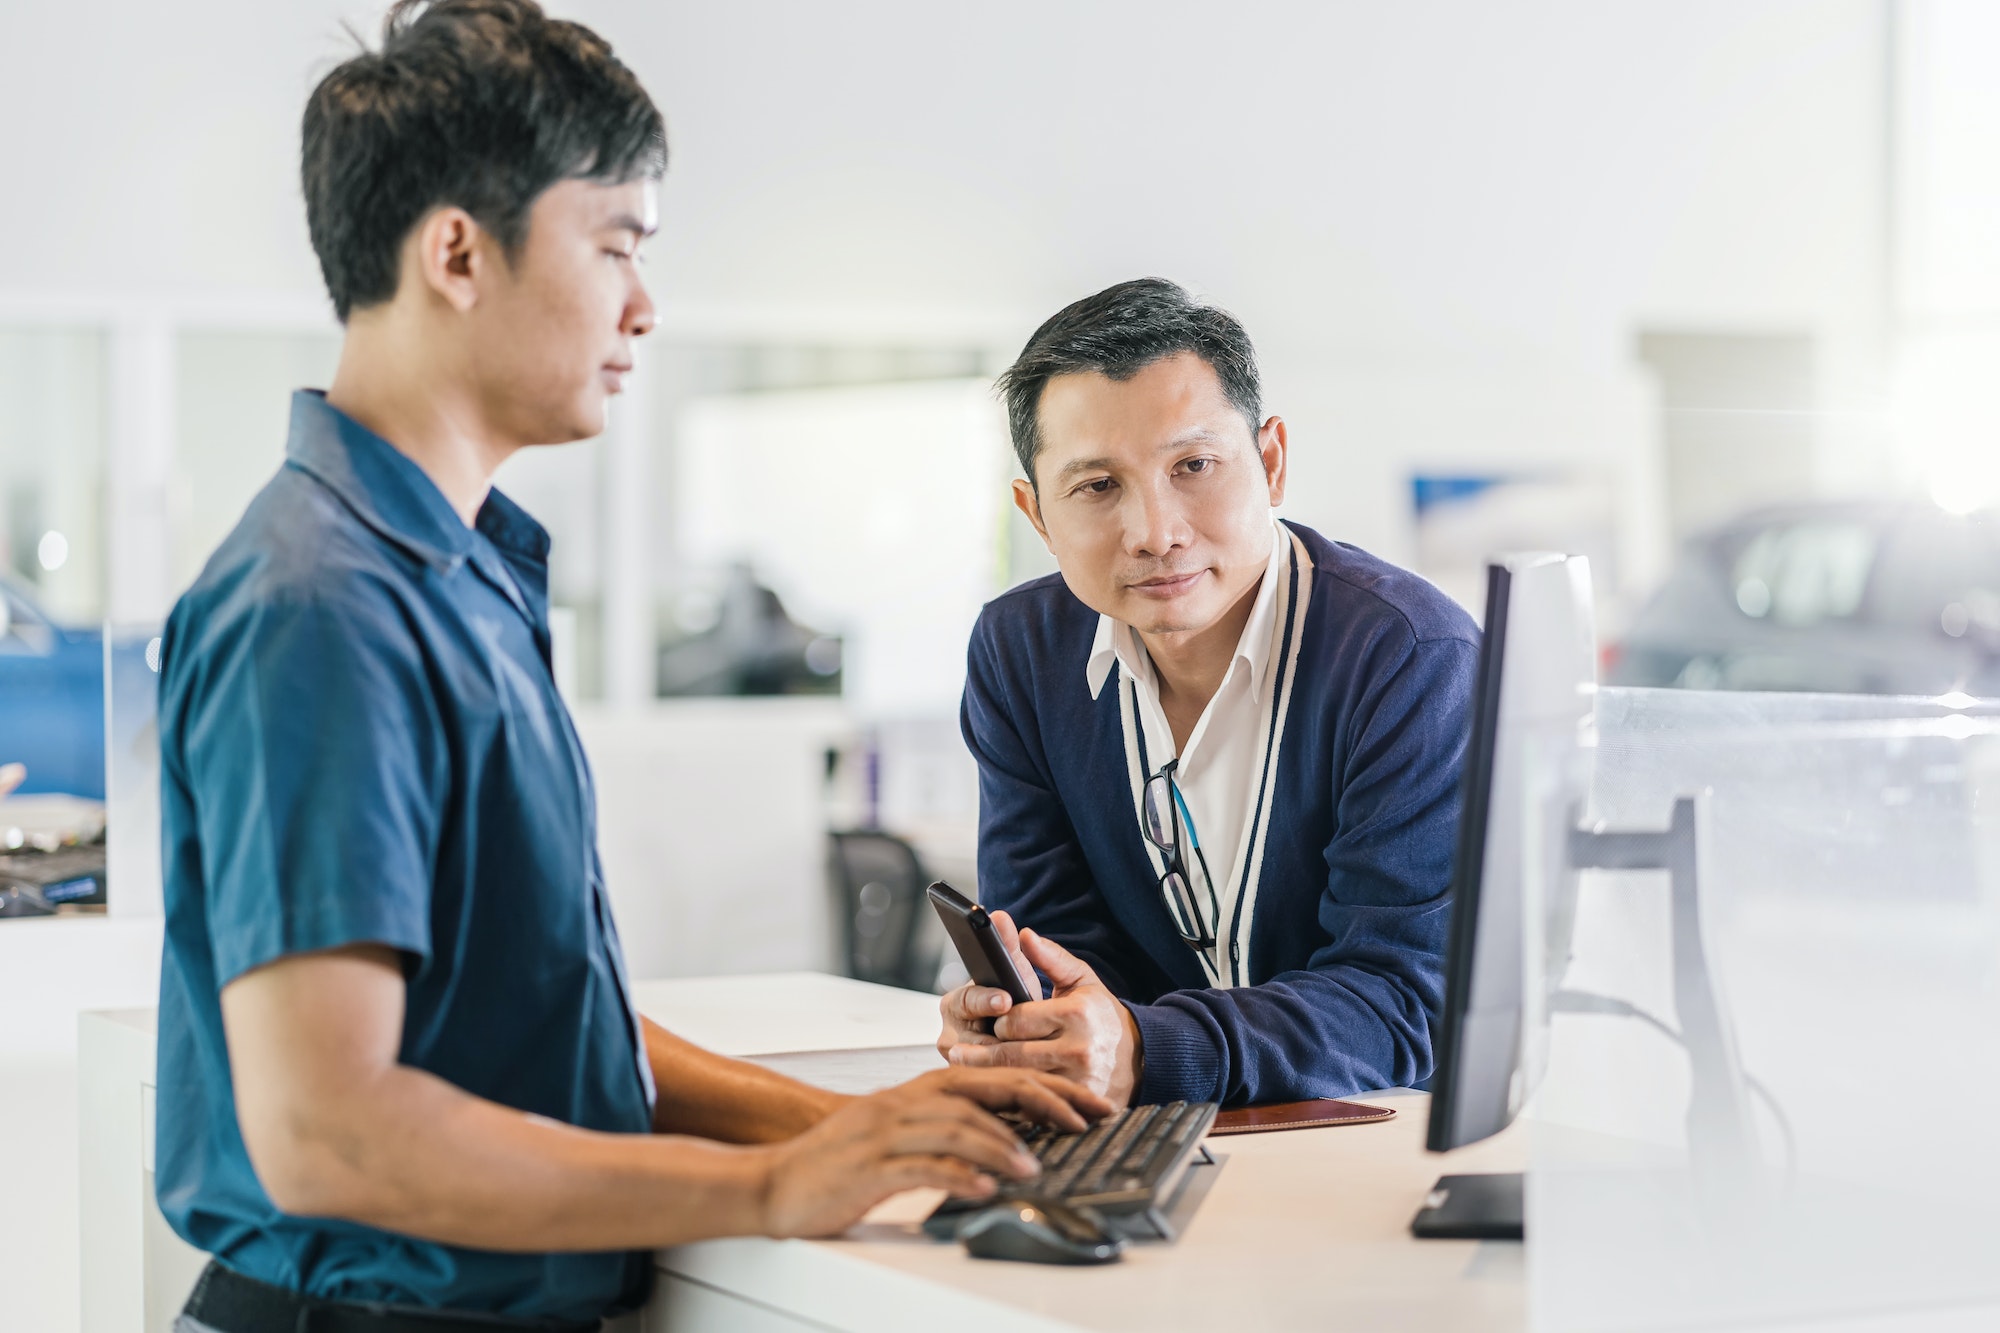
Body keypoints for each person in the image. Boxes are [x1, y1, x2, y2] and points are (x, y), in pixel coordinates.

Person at [155, 5, 1106, 1332]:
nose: (645, 308)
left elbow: (535, 1029)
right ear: (455, 253)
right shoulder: (321, 606)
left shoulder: (457, 570)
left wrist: (860, 1126)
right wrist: (774, 1182)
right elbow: (334, 1132)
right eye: (615, 246)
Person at [936, 279, 1480, 1109]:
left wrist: (1147, 1047)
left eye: (1193, 466)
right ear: (1037, 514)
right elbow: (1054, 952)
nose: (1156, 531)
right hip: (1146, 1135)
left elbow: (1406, 998)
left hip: (1373, 1139)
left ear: (1271, 462)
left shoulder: (1410, 658)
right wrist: (1035, 1032)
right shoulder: (1022, 654)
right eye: (1096, 486)